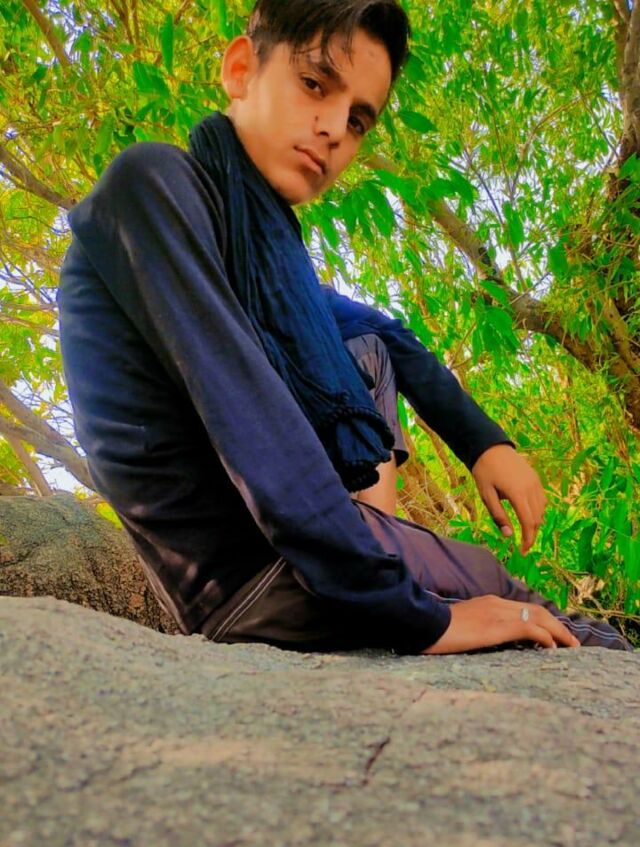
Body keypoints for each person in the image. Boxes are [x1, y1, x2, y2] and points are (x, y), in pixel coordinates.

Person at [56, 0, 633, 654]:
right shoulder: (152, 187)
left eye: (357, 119)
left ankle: (376, 544)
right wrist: (422, 618)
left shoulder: (268, 260)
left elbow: (382, 334)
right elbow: (257, 430)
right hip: (253, 584)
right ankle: (380, 566)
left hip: (293, 561)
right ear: (242, 69)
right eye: (314, 83)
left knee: (365, 348)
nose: (333, 128)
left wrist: (482, 443)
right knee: (527, 608)